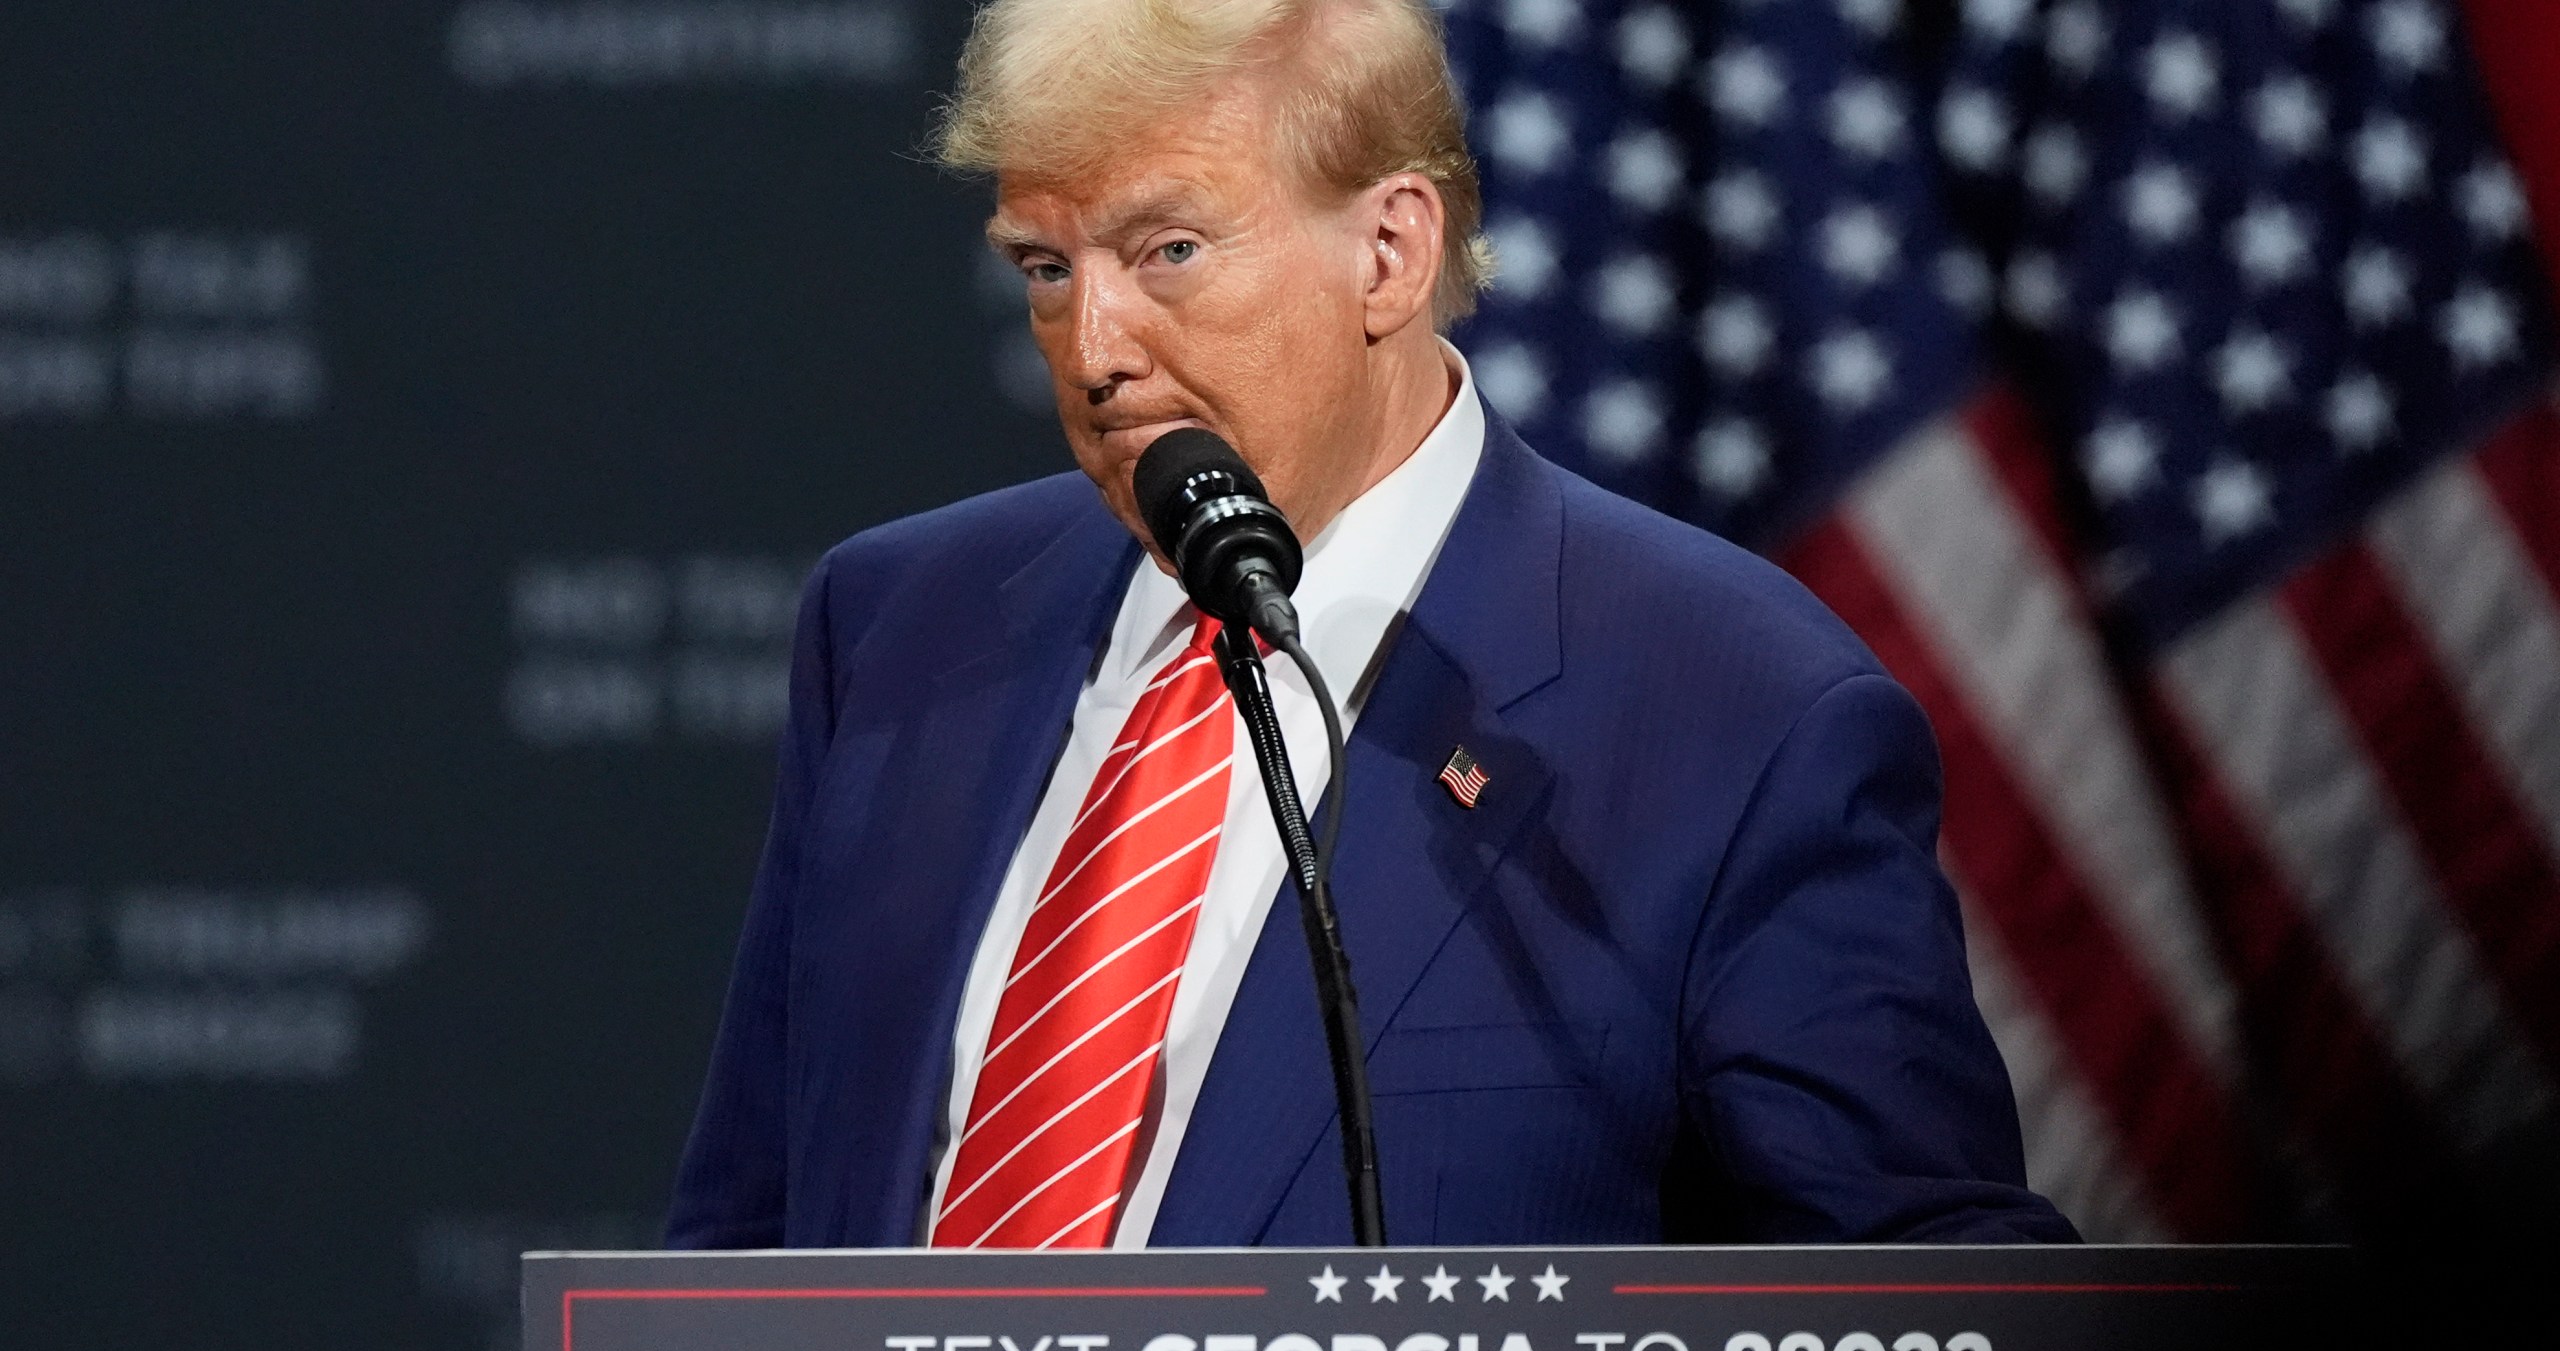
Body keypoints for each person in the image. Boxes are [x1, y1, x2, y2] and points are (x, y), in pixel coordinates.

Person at [666, 0, 2075, 1250]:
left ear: (1391, 253)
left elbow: (1928, 1316)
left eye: (1167, 249)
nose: (1093, 349)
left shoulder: (1734, 709)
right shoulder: (902, 624)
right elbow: (745, 1244)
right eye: (1046, 268)